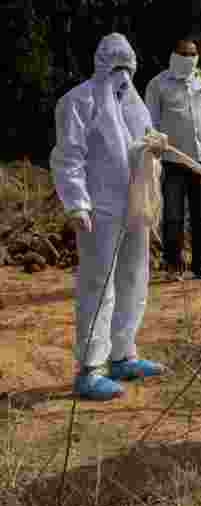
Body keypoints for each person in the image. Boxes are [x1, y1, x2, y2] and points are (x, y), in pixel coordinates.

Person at [50, 33, 168, 400]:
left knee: (134, 279)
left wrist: (155, 149)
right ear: (102, 65)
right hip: (99, 211)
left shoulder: (136, 107)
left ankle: (123, 353)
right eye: (116, 67)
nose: (123, 75)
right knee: (98, 287)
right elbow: (69, 156)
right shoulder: (78, 102)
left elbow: (140, 150)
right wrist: (76, 203)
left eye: (127, 68)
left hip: (134, 206)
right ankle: (91, 367)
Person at [144, 38, 201, 280]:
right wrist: (154, 144)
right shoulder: (158, 85)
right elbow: (148, 123)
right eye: (185, 54)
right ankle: (172, 265)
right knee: (172, 215)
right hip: (172, 161)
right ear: (174, 56)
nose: (190, 59)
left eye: (193, 54)